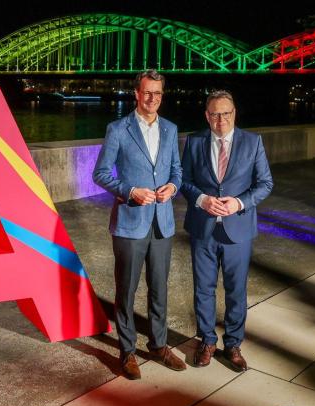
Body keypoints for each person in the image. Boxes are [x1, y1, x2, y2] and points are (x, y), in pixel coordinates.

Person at [93, 70, 186, 380]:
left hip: (163, 223)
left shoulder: (171, 129)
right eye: (147, 92)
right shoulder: (118, 129)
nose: (152, 99)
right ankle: (128, 350)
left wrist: (173, 187)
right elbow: (102, 173)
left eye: (157, 93)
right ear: (136, 93)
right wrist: (130, 192)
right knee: (127, 290)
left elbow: (176, 171)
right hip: (130, 223)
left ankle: (159, 345)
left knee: (159, 288)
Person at [180, 90, 273, 372]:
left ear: (235, 114)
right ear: (207, 116)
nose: (221, 119)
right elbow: (184, 180)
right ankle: (207, 341)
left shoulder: (252, 142)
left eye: (226, 113)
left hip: (238, 230)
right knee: (203, 289)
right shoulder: (194, 141)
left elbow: (265, 183)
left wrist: (239, 202)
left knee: (236, 291)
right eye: (215, 114)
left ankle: (233, 344)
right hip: (203, 228)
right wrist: (201, 199)